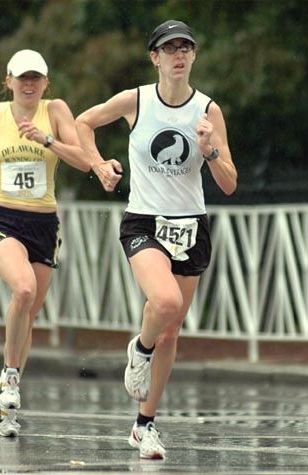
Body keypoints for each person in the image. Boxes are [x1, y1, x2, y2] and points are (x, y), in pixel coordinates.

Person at [76, 20, 237, 459]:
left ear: (194, 56)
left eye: (186, 47)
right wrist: (98, 164)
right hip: (144, 221)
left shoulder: (208, 110)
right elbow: (83, 122)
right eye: (170, 49)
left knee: (172, 334)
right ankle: (139, 349)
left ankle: (144, 426)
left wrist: (211, 151)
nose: (179, 55)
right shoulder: (137, 100)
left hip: (191, 225)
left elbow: (228, 184)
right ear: (155, 58)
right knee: (164, 305)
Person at [0, 49, 90, 437]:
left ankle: (6, 403)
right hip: (2, 219)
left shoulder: (56, 110)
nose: (29, 84)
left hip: (44, 224)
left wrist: (47, 139)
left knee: (27, 317)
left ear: (45, 83)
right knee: (24, 290)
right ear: (8, 82)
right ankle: (10, 378)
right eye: (21, 78)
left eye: (36, 78)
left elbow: (83, 160)